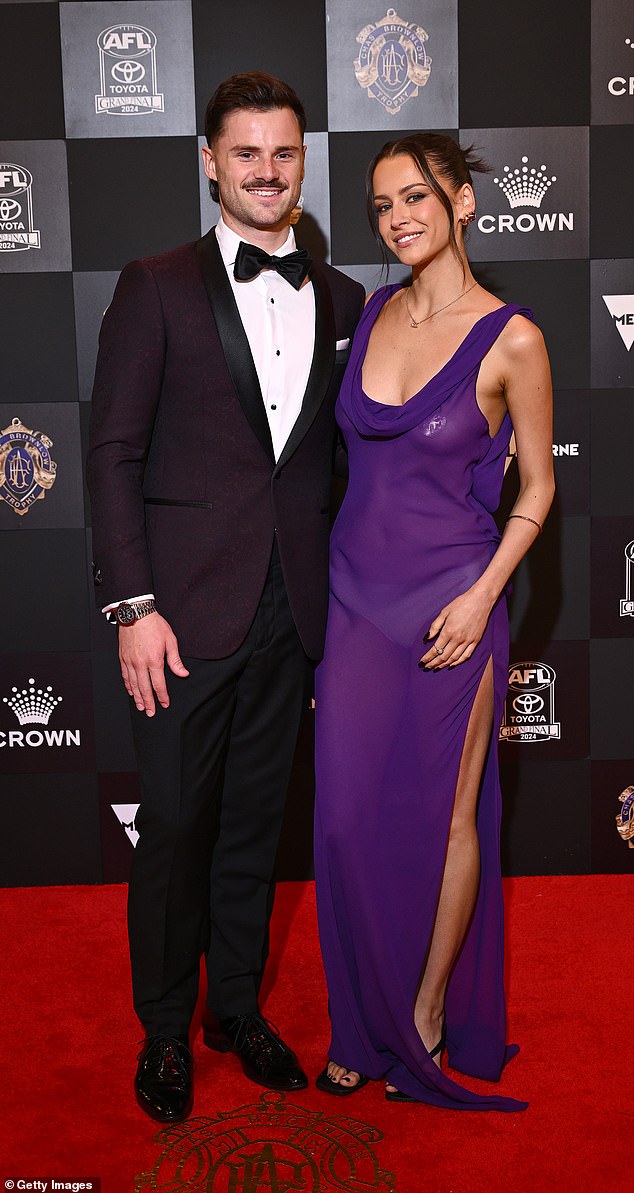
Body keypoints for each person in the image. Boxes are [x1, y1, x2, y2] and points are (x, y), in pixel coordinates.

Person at [86, 71, 364, 1123]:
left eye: (283, 152)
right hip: (179, 617)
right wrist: (132, 606)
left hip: (294, 610)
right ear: (209, 159)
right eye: (243, 152)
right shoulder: (154, 283)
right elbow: (111, 451)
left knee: (255, 824)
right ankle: (163, 1030)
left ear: (303, 159)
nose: (265, 170)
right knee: (175, 831)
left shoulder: (340, 298)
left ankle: (234, 1008)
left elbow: (339, 463)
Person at [313, 133, 554, 1110]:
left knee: (451, 818)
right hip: (354, 598)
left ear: (461, 203)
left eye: (416, 196)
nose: (398, 216)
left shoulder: (513, 338)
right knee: (342, 817)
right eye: (380, 205)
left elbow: (536, 486)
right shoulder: (370, 314)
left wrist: (482, 593)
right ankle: (356, 1017)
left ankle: (418, 1015)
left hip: (454, 603)